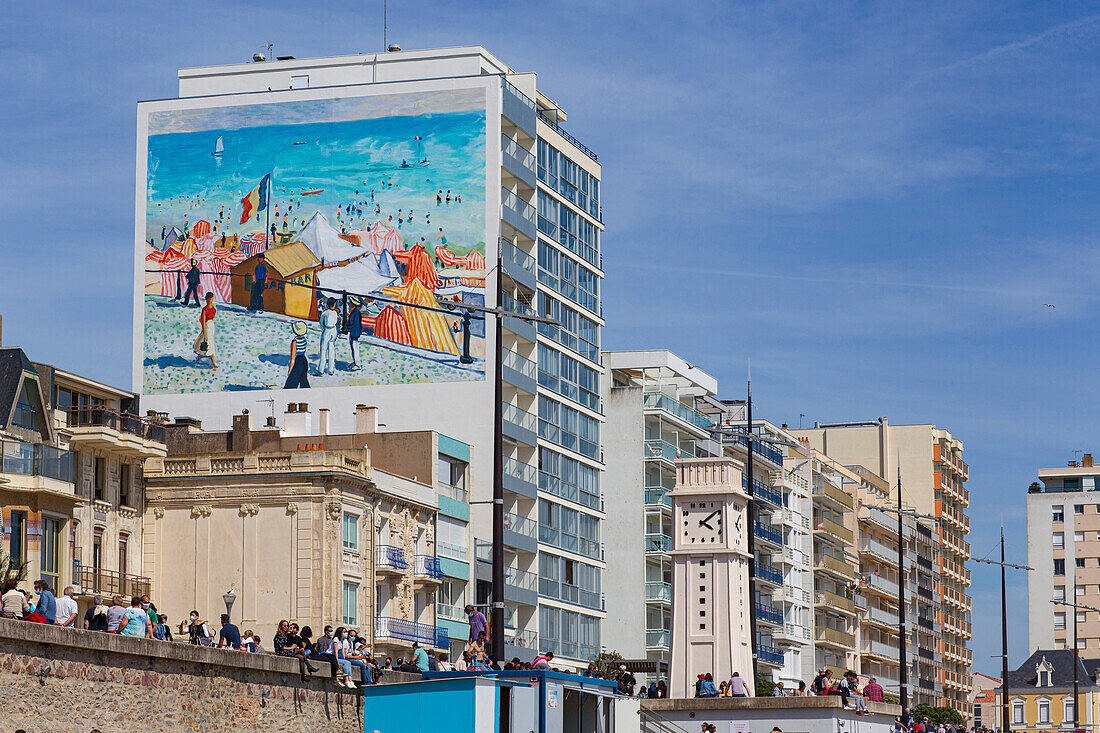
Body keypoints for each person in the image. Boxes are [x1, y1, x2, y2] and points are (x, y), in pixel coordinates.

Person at [285, 321, 311, 389]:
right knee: (303, 380)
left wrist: (290, 369)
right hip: (304, 360)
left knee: (292, 382)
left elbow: (292, 358)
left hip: (298, 361)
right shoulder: (304, 339)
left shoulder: (295, 341)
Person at [318, 298, 340, 375]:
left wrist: (323, 329)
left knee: (323, 350)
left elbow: (321, 322)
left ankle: (321, 369)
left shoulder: (325, 313)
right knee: (331, 350)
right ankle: (331, 369)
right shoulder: (335, 313)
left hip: (327, 330)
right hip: (333, 330)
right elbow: (336, 322)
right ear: (334, 305)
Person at [347, 295, 364, 370]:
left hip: (354, 333)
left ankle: (358, 364)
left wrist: (348, 328)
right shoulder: (355, 312)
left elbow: (355, 324)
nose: (349, 304)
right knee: (354, 348)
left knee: (355, 348)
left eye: (350, 303)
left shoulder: (356, 313)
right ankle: (356, 362)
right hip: (354, 333)